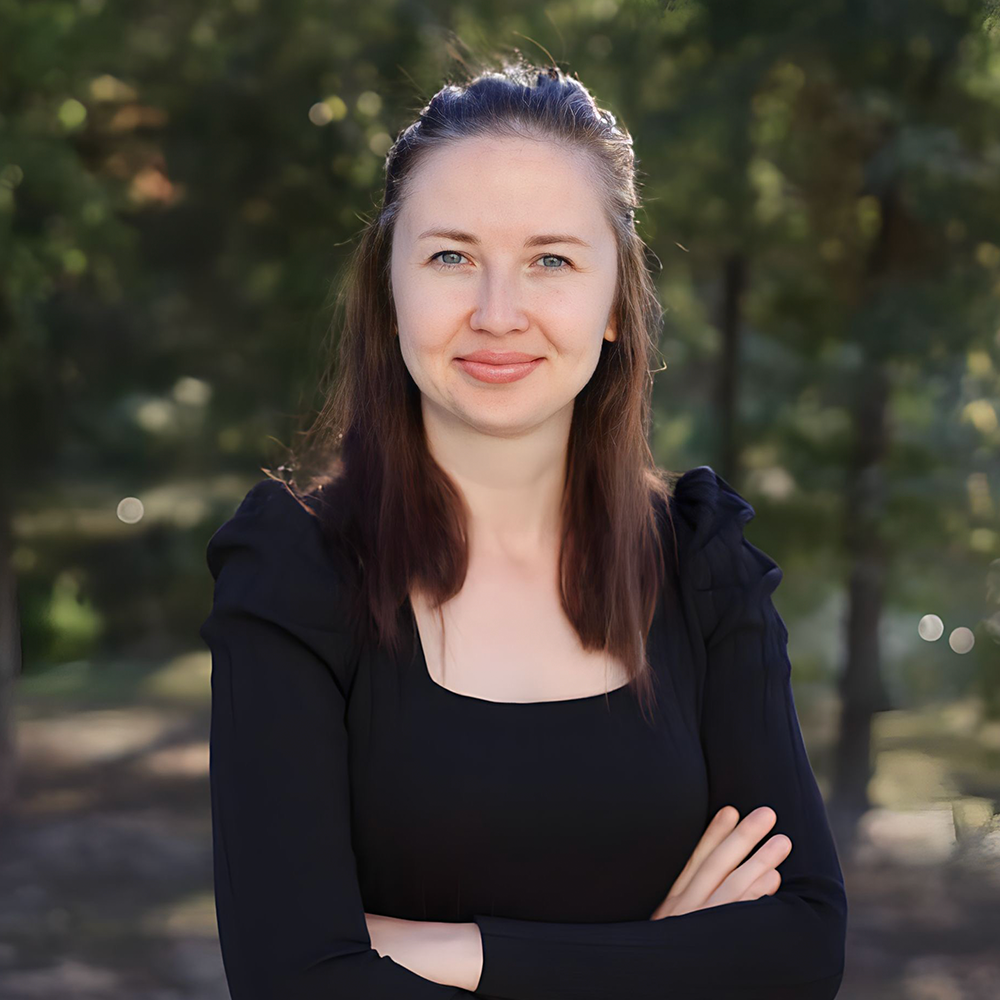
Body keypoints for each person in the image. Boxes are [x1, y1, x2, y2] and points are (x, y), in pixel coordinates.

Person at [199, 56, 848, 999]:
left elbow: (800, 951)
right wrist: (661, 961)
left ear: (617, 299)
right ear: (388, 289)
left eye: (551, 260)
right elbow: (293, 979)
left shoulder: (704, 569)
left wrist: (448, 952)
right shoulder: (295, 578)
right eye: (451, 256)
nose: (497, 315)